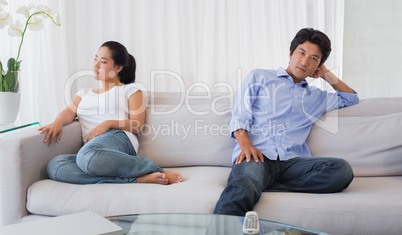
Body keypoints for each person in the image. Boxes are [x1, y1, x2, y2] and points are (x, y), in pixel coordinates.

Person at [214, 28, 359, 216]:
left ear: (318, 66)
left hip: (292, 164)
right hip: (257, 156)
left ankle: (264, 184)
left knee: (341, 170)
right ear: (291, 53)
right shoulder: (259, 77)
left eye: (314, 59)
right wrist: (246, 146)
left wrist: (326, 74)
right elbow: (241, 115)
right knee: (246, 181)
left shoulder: (317, 97)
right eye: (302, 53)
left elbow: (351, 99)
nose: (305, 61)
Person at [39, 41, 182, 185]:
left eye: (103, 62)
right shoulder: (84, 93)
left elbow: (137, 125)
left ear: (118, 67)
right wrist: (57, 121)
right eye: (95, 59)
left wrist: (108, 124)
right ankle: (135, 179)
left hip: (119, 138)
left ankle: (154, 170)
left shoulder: (130, 90)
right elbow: (68, 113)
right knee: (55, 167)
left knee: (86, 157)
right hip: (92, 151)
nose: (95, 65)